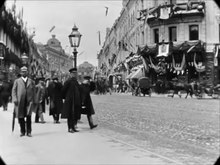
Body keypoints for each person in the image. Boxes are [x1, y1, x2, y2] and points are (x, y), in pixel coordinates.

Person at [11, 66, 35, 137]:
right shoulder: (17, 81)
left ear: (27, 72)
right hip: (20, 101)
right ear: (21, 72)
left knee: (28, 117)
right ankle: (22, 131)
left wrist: (34, 99)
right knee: (20, 117)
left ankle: (29, 132)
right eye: (23, 71)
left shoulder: (31, 81)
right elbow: (14, 91)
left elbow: (34, 91)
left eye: (25, 71)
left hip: (29, 101)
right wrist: (14, 99)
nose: (24, 72)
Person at [61, 68, 81, 133]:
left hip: (75, 100)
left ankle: (73, 127)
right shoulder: (68, 81)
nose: (75, 75)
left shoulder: (76, 81)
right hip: (70, 100)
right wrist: (67, 97)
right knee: (70, 115)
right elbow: (63, 90)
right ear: (70, 74)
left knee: (74, 114)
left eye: (75, 73)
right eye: (73, 73)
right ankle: (70, 128)